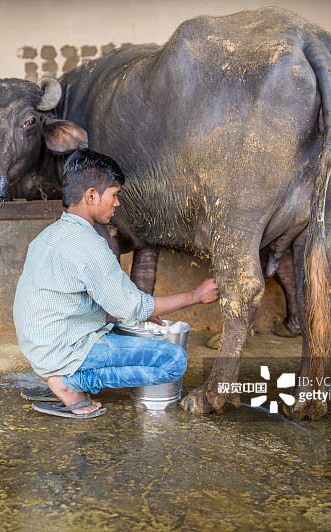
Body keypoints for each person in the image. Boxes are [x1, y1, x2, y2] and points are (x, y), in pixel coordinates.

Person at [13, 148, 219, 418]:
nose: (117, 203)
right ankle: (70, 382)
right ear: (91, 196)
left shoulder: (49, 235)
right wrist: (197, 294)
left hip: (40, 346)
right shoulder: (90, 246)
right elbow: (134, 307)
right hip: (63, 350)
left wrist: (139, 312)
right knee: (174, 361)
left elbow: (114, 305)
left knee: (121, 326)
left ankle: (53, 373)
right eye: (114, 194)